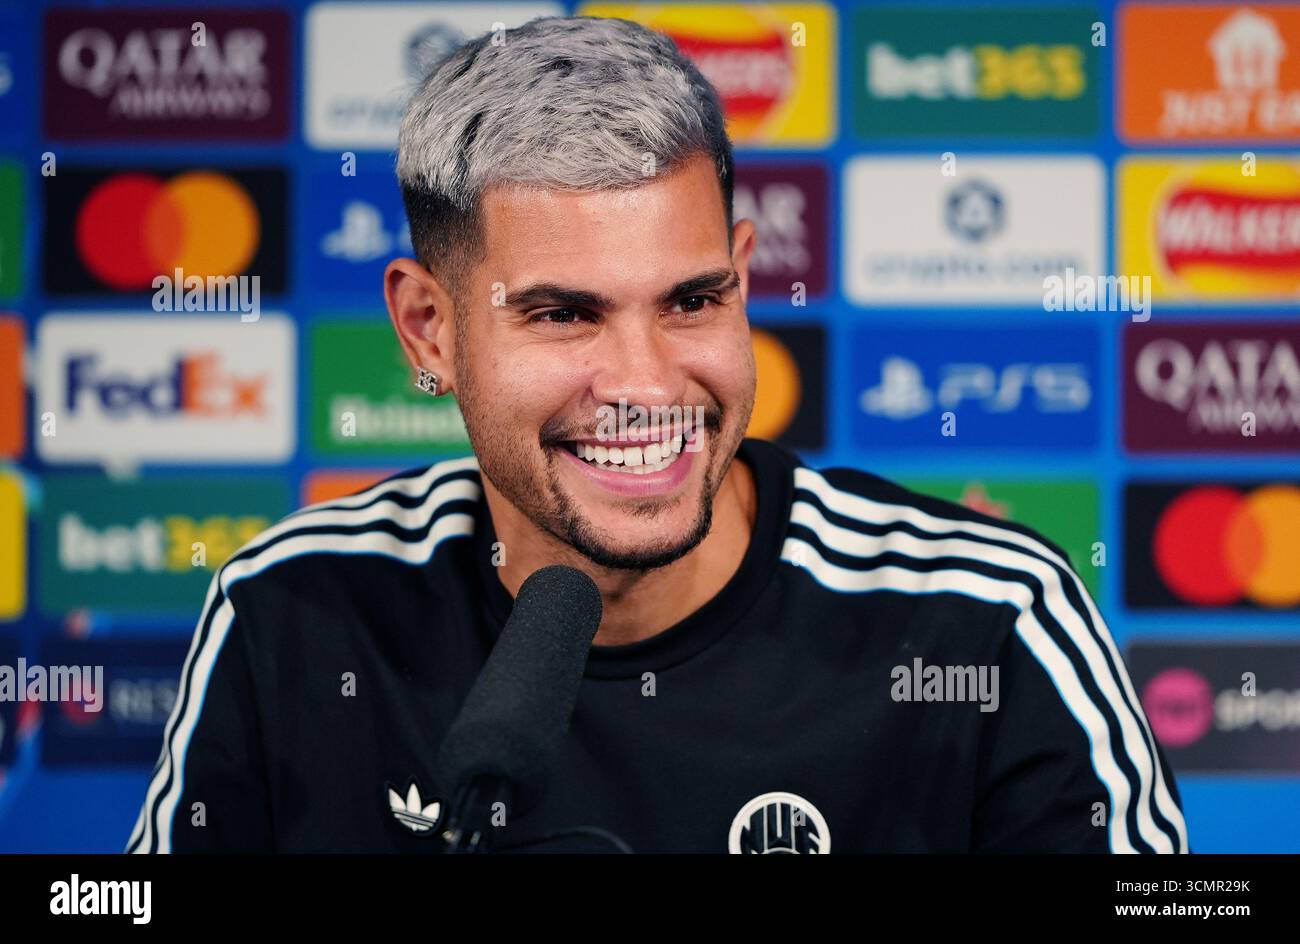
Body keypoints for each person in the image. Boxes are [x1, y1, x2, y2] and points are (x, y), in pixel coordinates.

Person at [128, 15, 1187, 853]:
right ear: (428, 328)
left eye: (692, 300)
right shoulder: (294, 611)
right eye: (562, 313)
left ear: (742, 272)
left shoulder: (987, 619)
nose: (644, 385)